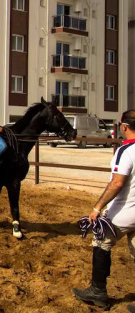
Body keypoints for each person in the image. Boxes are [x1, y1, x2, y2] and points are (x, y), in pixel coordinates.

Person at [72, 110, 135, 309]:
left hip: (125, 210)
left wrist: (97, 208)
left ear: (124, 126)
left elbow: (117, 183)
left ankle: (97, 291)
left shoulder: (126, 150)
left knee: (101, 239)